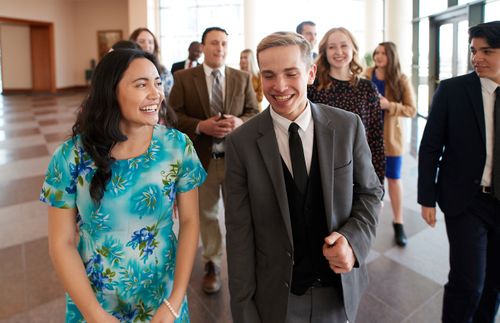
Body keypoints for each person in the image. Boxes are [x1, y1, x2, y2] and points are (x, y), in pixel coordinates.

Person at [225, 31, 382, 323]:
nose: (280, 86)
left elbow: (370, 193)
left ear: (310, 73)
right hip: (277, 297)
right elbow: (238, 234)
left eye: (290, 73)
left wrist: (352, 240)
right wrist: (244, 310)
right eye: (269, 75)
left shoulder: (348, 127)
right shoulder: (241, 143)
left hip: (337, 290)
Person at [40, 48, 206, 322]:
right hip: (94, 299)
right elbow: (62, 242)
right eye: (141, 85)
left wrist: (175, 300)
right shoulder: (71, 156)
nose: (156, 94)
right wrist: (94, 313)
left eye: (157, 82)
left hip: (162, 297)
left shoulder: (177, 146)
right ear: (110, 92)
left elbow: (189, 222)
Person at [418, 21, 500, 323]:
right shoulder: (453, 91)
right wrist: (427, 197)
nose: (477, 57)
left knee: (494, 285)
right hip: (467, 202)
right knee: (468, 285)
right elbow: (429, 147)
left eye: (487, 51)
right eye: (473, 50)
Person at [169, 26, 259, 294]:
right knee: (206, 216)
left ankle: (243, 265)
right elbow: (173, 116)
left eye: (223, 44)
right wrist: (200, 126)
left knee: (239, 215)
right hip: (201, 161)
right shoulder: (184, 78)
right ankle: (212, 264)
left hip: (235, 161)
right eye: (214, 43)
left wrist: (240, 122)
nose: (219, 48)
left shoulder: (241, 78)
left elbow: (255, 112)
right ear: (203, 46)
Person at [308, 27, 385, 185]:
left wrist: (377, 184)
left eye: (344, 46)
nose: (338, 51)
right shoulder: (312, 87)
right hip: (320, 168)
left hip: (357, 168)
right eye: (332, 47)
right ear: (324, 51)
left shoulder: (367, 88)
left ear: (353, 49)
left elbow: (375, 138)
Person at [364, 42, 416, 246]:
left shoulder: (401, 79)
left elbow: (411, 109)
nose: (378, 56)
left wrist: (389, 105)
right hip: (366, 137)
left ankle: (398, 222)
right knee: (368, 181)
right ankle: (366, 224)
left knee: (393, 179)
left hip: (391, 139)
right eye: (376, 52)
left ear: (391, 56)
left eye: (383, 53)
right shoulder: (366, 74)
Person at [130, 27, 174, 99]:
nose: (147, 46)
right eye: (141, 41)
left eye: (150, 42)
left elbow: (168, 99)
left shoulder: (164, 72)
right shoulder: (126, 70)